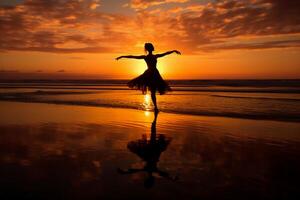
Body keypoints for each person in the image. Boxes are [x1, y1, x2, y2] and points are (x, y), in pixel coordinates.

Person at [116, 43, 181, 113]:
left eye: (152, 47)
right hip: (150, 74)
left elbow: (165, 53)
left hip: (154, 74)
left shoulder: (153, 56)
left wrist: (173, 51)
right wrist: (122, 56)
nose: (152, 48)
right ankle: (156, 108)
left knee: (153, 92)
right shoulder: (148, 57)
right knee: (153, 92)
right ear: (149, 49)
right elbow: (133, 57)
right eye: (151, 47)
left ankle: (156, 107)